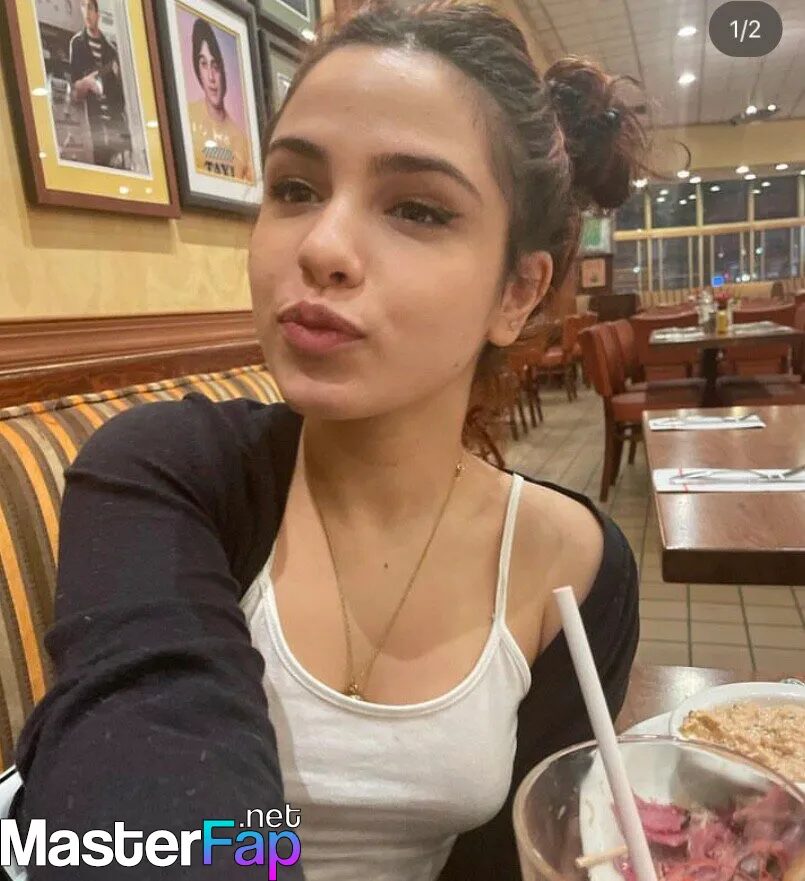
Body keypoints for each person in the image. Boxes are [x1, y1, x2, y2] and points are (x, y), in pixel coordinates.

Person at [12, 2, 647, 878]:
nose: (322, 246)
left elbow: (523, 851)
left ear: (517, 293)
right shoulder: (163, 470)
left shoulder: (577, 570)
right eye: (295, 189)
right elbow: (147, 784)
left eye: (416, 208)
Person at [187, 18, 254, 183]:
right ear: (197, 70)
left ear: (224, 71)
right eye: (204, 64)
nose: (211, 77)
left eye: (215, 66)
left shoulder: (242, 141)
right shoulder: (187, 119)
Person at [68, 0, 130, 168]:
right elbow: (74, 94)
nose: (86, 12)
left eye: (90, 7)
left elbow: (121, 98)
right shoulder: (77, 44)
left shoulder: (111, 49)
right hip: (94, 127)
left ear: (97, 13)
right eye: (83, 7)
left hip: (116, 126)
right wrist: (86, 84)